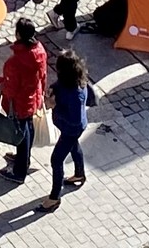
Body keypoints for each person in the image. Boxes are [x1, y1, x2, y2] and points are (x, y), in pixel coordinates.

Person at [38, 49, 98, 211]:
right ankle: (79, 174)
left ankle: (54, 197)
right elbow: (59, 87)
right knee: (74, 147)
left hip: (71, 129)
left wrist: (54, 105)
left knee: (56, 160)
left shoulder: (75, 93)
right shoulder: (76, 81)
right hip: (71, 130)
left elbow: (75, 118)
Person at [0, 20, 48, 181]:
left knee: (21, 135)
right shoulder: (40, 51)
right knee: (28, 128)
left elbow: (11, 89)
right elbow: (43, 75)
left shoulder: (16, 62)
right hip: (33, 97)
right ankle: (23, 159)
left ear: (18, 35)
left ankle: (19, 172)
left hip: (20, 103)